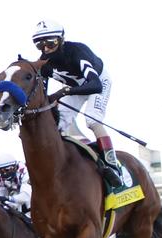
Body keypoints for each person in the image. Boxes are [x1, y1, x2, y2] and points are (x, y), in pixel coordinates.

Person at [32, 19, 122, 187]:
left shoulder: (77, 51)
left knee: (92, 119)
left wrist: (64, 92)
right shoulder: (43, 64)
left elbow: (95, 85)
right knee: (57, 124)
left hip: (98, 82)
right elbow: (42, 95)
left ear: (61, 40)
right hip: (75, 87)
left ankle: (112, 165)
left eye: (50, 42)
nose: (45, 48)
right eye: (39, 44)